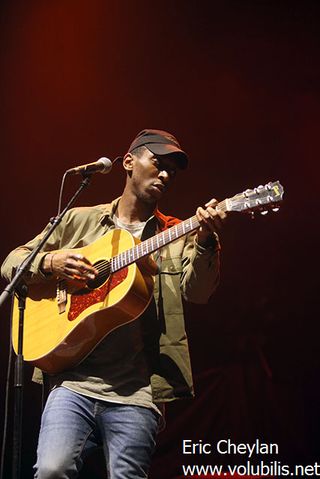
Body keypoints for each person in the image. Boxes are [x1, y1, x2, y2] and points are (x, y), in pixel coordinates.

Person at [1, 129, 226, 479]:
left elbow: (197, 293)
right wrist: (52, 263)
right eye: (158, 163)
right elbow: (13, 261)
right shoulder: (79, 220)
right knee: (50, 470)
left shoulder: (176, 233)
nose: (166, 174)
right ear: (128, 162)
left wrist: (207, 241)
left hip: (138, 392)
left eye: (172, 170)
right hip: (73, 381)